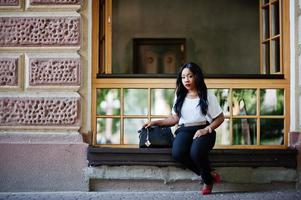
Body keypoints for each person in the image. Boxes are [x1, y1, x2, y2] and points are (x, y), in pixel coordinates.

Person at [144, 62, 224, 195]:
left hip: (204, 130)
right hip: (185, 130)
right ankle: (208, 175)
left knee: (196, 152)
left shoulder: (207, 95)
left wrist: (206, 129)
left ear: (197, 77)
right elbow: (175, 119)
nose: (186, 80)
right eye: (183, 77)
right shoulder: (179, 95)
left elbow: (220, 118)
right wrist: (156, 122)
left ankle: (207, 182)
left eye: (190, 76)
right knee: (178, 153)